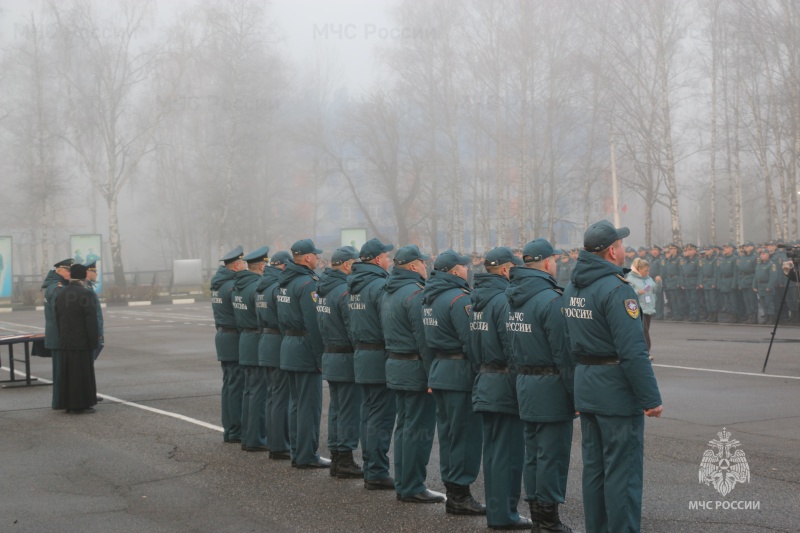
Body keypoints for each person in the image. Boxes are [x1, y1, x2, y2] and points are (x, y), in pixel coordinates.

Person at [562, 220, 663, 533]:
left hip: (587, 385)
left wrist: (573, 392)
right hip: (615, 391)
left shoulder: (572, 287)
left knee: (595, 469)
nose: (624, 249)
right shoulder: (618, 290)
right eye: (620, 245)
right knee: (624, 472)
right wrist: (650, 398)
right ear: (611, 252)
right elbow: (633, 351)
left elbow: (566, 344)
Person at [507, 240, 577, 532]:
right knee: (552, 454)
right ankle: (548, 520)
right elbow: (563, 353)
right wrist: (576, 395)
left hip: (525, 383)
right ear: (547, 263)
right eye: (555, 260)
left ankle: (538, 514)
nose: (557, 264)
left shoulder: (513, 297)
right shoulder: (550, 300)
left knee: (534, 453)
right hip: (550, 387)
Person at [471, 247, 532, 530]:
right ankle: (504, 514)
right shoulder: (503, 300)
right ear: (506, 270)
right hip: (505, 383)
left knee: (494, 452)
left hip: (485, 380)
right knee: (509, 454)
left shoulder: (477, 301)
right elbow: (513, 349)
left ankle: (497, 511)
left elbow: (471, 348)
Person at [422, 249, 485, 516]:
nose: (466, 270)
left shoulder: (429, 298)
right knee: (464, 435)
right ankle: (460, 493)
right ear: (453, 271)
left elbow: (425, 341)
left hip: (440, 369)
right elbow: (471, 342)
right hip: (459, 373)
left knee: (448, 435)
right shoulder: (460, 299)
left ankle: (453, 490)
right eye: (463, 266)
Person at [382, 244, 445, 503]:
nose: (425, 265)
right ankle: (412, 486)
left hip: (397, 364)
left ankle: (405, 483)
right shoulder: (415, 294)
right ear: (412, 266)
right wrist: (433, 375)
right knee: (418, 430)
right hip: (416, 368)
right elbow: (423, 339)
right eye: (421, 262)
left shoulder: (389, 291)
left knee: (405, 428)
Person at [347, 238, 396, 490]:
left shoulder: (354, 284)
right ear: (378, 259)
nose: (389, 260)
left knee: (368, 414)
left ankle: (370, 467)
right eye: (387, 256)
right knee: (381, 416)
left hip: (362, 354)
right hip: (378, 356)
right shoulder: (379, 285)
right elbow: (388, 324)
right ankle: (376, 471)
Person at [278, 239, 330, 469]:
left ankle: (297, 452)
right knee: (309, 406)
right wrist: (320, 358)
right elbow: (314, 323)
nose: (318, 258)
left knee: (296, 404)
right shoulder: (308, 283)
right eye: (315, 255)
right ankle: (307, 455)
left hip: (289, 345)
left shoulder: (285, 281)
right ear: (308, 257)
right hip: (305, 348)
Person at [316, 246, 364, 479]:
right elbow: (353, 328)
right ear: (347, 265)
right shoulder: (344, 291)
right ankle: (344, 458)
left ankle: (337, 456)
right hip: (345, 356)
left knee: (337, 408)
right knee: (347, 409)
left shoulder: (324, 289)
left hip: (331, 354)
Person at [255, 251, 293, 461]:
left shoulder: (261, 285)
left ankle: (274, 441)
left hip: (265, 341)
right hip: (278, 341)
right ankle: (280, 445)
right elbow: (284, 318)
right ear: (284, 266)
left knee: (272, 395)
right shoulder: (278, 288)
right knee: (280, 396)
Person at [234, 246, 270, 452]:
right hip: (256, 340)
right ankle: (256, 438)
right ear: (262, 265)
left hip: (244, 339)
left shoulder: (238, 285)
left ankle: (248, 436)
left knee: (249, 391)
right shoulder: (257, 286)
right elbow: (262, 315)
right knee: (258, 392)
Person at [210, 246, 246, 444]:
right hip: (233, 338)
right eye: (243, 263)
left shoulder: (218, 283)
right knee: (236, 385)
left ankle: (231, 429)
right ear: (237, 265)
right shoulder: (232, 286)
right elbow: (240, 315)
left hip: (223, 336)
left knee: (229, 384)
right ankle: (235, 430)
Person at [55, 263, 99, 414]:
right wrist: (94, 340)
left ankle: (68, 404)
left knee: (68, 374)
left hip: (66, 340)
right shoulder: (86, 293)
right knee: (82, 374)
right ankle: (82, 404)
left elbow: (58, 317)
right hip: (82, 340)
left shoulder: (62, 293)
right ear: (84, 275)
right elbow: (91, 320)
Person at [42, 258, 73, 409]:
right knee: (61, 372)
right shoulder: (56, 286)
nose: (70, 274)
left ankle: (62, 401)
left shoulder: (57, 285)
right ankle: (61, 402)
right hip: (60, 335)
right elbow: (62, 311)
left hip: (60, 335)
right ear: (59, 271)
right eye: (68, 270)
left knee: (63, 371)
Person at [625, 258, 660, 356]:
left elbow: (655, 291)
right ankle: (646, 353)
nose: (647, 272)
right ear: (638, 269)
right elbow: (627, 294)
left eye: (648, 270)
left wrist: (658, 283)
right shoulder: (630, 279)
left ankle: (638, 351)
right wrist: (638, 292)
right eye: (645, 270)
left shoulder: (648, 278)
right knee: (644, 332)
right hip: (638, 309)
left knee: (645, 331)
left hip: (648, 309)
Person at [84, 260, 104, 362]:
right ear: (87, 272)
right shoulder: (86, 289)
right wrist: (98, 332)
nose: (96, 273)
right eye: (94, 271)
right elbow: (93, 314)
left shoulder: (89, 287)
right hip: (92, 333)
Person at [753, 248, 778, 324]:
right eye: (761, 254)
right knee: (763, 303)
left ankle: (771, 318)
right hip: (760, 286)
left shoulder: (771, 264)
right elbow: (756, 276)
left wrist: (769, 286)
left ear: (768, 255)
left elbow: (773, 277)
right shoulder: (759, 264)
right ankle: (766, 317)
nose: (762, 255)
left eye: (763, 254)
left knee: (769, 303)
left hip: (767, 285)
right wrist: (754, 285)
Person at [737, 242, 758, 323]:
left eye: (747, 246)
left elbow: (757, 271)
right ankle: (749, 316)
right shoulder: (742, 257)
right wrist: (739, 282)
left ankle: (754, 317)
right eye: (744, 246)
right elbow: (739, 271)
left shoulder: (754, 257)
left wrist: (755, 283)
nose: (745, 248)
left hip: (751, 279)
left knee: (752, 300)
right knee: (746, 300)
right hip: (744, 280)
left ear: (752, 247)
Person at [717, 243, 739, 322]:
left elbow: (735, 273)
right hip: (724, 281)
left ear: (732, 249)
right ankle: (729, 316)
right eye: (724, 247)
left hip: (730, 281)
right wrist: (719, 283)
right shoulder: (722, 259)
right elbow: (719, 273)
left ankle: (734, 316)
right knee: (727, 301)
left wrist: (734, 284)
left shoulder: (734, 259)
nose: (725, 249)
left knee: (733, 300)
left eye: (727, 247)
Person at [679, 244, 700, 321]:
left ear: (695, 251)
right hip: (687, 282)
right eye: (687, 250)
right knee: (689, 300)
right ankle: (691, 314)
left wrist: (698, 283)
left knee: (694, 300)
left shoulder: (697, 260)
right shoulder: (685, 260)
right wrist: (682, 283)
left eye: (690, 250)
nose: (688, 252)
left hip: (693, 281)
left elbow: (699, 273)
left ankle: (695, 315)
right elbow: (682, 272)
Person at [698, 246, 719, 322]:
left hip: (711, 280)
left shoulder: (715, 260)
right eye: (705, 250)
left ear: (712, 250)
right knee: (707, 300)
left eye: (708, 250)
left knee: (713, 300)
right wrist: (701, 282)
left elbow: (716, 272)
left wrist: (714, 282)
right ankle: (710, 314)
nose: (706, 251)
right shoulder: (703, 260)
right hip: (705, 281)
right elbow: (701, 272)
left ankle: (714, 315)